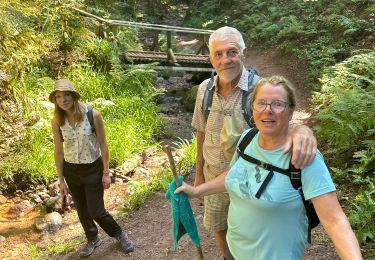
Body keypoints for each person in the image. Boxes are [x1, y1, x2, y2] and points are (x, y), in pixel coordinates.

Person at [179, 75, 362, 260]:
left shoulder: (304, 157)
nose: (268, 110)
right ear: (253, 108)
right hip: (234, 251)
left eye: (277, 104)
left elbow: (335, 221)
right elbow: (235, 175)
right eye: (262, 103)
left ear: (290, 111)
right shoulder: (247, 138)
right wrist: (196, 191)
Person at [191, 26, 318, 258]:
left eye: (231, 52)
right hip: (214, 177)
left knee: (255, 233)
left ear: (244, 53)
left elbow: (284, 117)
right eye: (218, 54)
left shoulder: (260, 89)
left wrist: (303, 130)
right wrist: (199, 175)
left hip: (253, 180)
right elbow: (201, 132)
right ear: (210, 58)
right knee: (219, 227)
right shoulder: (204, 91)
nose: (225, 60)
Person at [50, 79, 134, 258]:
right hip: (71, 171)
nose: (63, 100)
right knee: (81, 209)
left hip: (92, 169)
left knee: (96, 210)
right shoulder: (57, 120)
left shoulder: (92, 115)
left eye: (66, 95)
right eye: (58, 97)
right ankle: (93, 238)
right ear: (55, 100)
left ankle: (119, 233)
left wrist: (106, 173)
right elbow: (58, 152)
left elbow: (103, 144)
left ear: (73, 96)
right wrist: (61, 180)